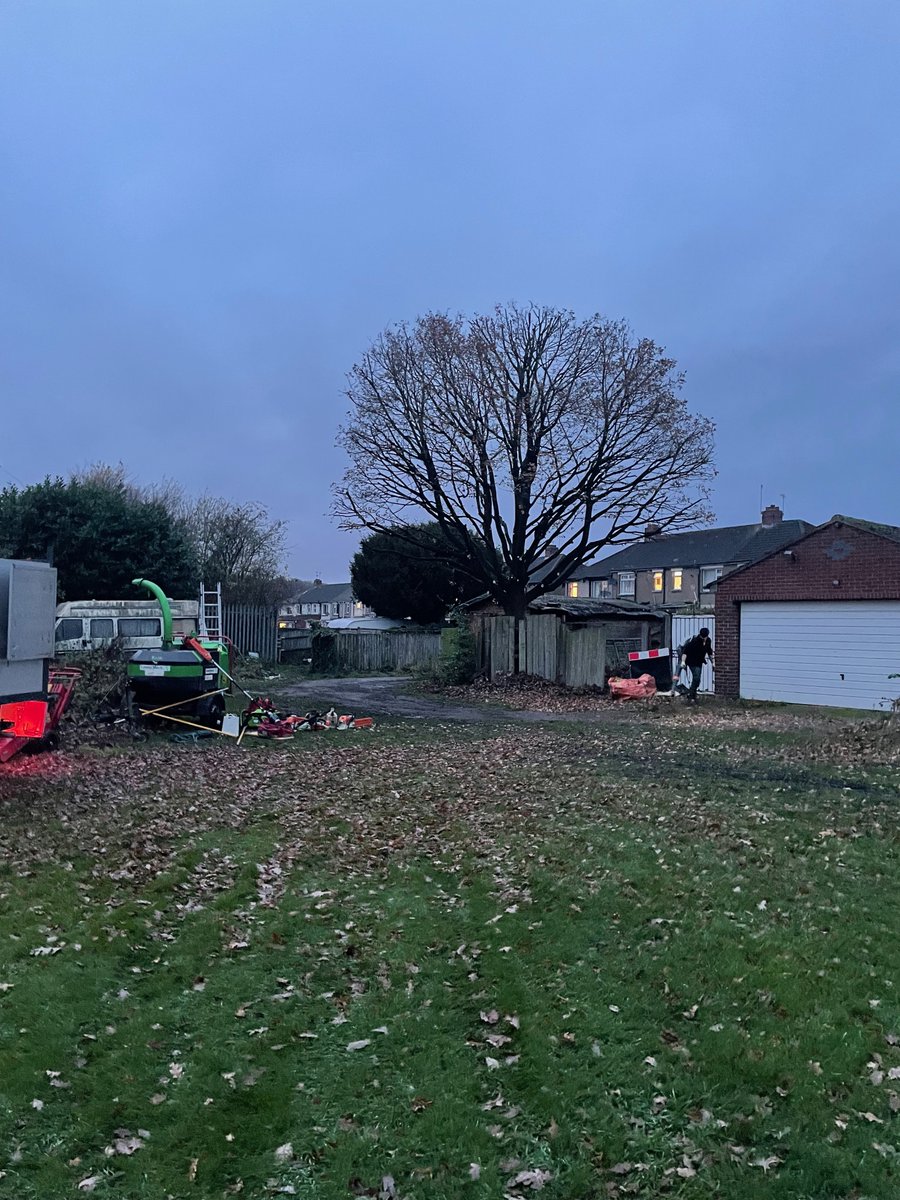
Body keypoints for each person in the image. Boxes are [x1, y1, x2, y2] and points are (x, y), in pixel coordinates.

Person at [680, 627, 713, 701]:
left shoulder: (708, 641)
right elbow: (685, 652)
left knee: (697, 680)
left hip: (699, 661)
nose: (704, 639)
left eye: (705, 637)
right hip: (691, 661)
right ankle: (692, 695)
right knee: (696, 677)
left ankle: (692, 694)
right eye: (702, 637)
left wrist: (713, 662)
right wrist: (683, 661)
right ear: (700, 635)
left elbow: (709, 652)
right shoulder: (694, 641)